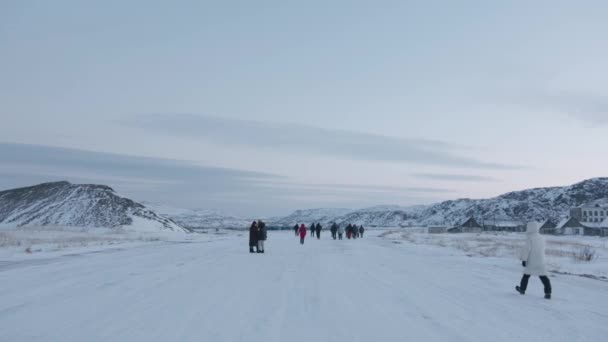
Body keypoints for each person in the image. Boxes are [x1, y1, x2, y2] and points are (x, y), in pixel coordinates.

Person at [516, 222, 552, 299]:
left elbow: (526, 249)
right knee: (543, 276)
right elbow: (543, 249)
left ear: (529, 228)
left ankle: (522, 289)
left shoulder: (530, 238)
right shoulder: (542, 238)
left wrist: (524, 259)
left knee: (526, 276)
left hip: (531, 260)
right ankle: (548, 293)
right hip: (541, 260)